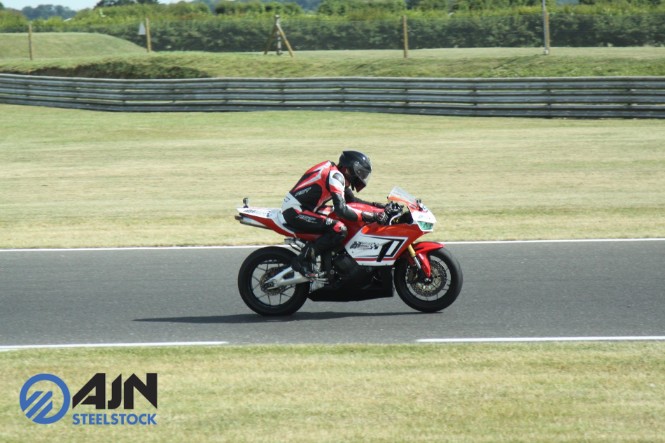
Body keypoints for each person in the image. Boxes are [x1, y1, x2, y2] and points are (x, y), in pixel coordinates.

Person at [282, 150, 388, 277]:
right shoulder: (335, 177)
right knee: (339, 229)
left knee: (336, 219)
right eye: (361, 173)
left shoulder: (336, 173)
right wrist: (371, 217)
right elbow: (341, 210)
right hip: (295, 211)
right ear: (350, 169)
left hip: (309, 208)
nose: (362, 177)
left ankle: (328, 261)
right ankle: (302, 260)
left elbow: (352, 201)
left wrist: (378, 207)